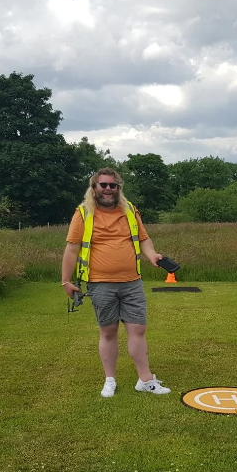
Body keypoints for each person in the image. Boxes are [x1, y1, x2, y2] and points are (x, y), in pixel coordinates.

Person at [61, 168, 171, 398]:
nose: (108, 189)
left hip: (132, 283)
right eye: (103, 185)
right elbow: (72, 249)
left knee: (138, 330)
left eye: (113, 185)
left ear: (118, 188)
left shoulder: (130, 210)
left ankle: (145, 380)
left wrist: (152, 255)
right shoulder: (82, 214)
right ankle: (109, 379)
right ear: (94, 188)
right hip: (100, 284)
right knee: (108, 332)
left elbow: (143, 239)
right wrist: (66, 281)